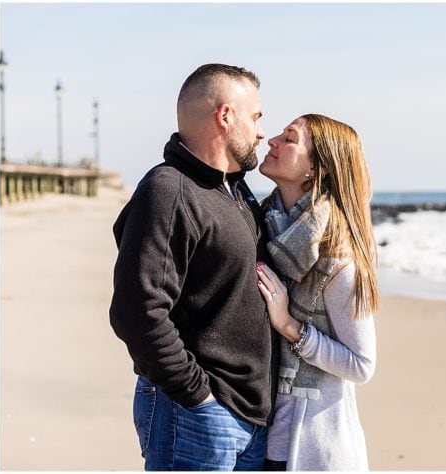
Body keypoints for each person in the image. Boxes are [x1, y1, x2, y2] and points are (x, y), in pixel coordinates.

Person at [109, 64, 277, 470]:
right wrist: (197, 396)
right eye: (255, 118)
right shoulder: (169, 190)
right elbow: (137, 311)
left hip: (248, 415)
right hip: (198, 413)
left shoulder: (234, 190)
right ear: (225, 116)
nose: (260, 133)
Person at [254, 114, 378, 471]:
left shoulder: (337, 257)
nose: (271, 141)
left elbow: (362, 364)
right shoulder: (263, 227)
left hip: (314, 451)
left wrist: (290, 325)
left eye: (289, 139)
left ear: (315, 168)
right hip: (262, 438)